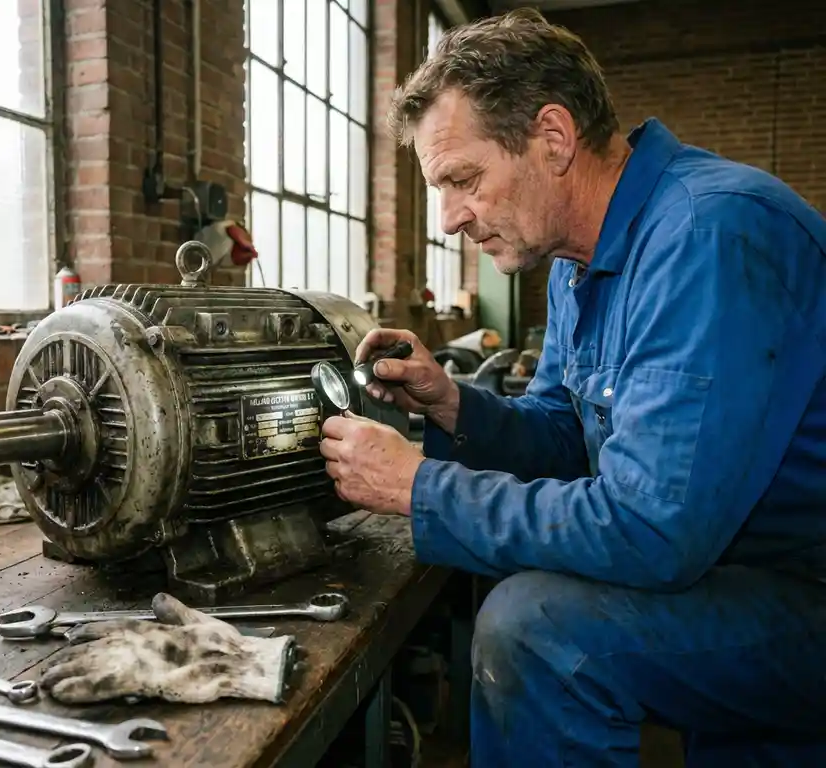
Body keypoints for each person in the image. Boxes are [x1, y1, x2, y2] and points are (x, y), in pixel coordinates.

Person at [318, 8, 826, 767]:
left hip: (800, 589)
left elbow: (650, 531)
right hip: (737, 572)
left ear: (553, 138)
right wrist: (453, 404)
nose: (453, 217)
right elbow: (564, 434)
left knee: (537, 627)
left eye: (464, 180)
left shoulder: (706, 235)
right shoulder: (575, 263)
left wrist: (419, 490)